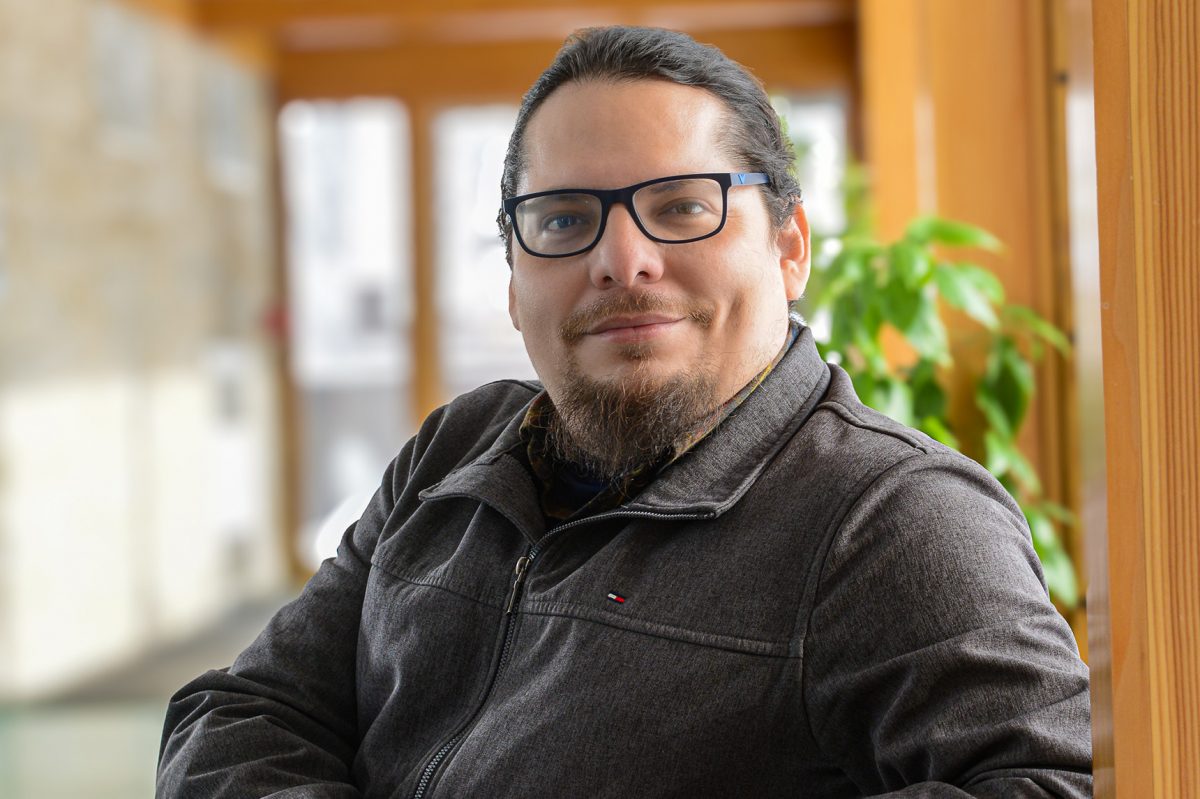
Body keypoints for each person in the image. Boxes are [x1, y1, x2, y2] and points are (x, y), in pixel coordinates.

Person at [157, 26, 1092, 798]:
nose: (623, 259)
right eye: (563, 220)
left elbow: (1039, 785)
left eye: (682, 207)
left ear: (790, 248)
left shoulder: (894, 519)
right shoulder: (455, 446)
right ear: (516, 280)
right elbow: (237, 715)